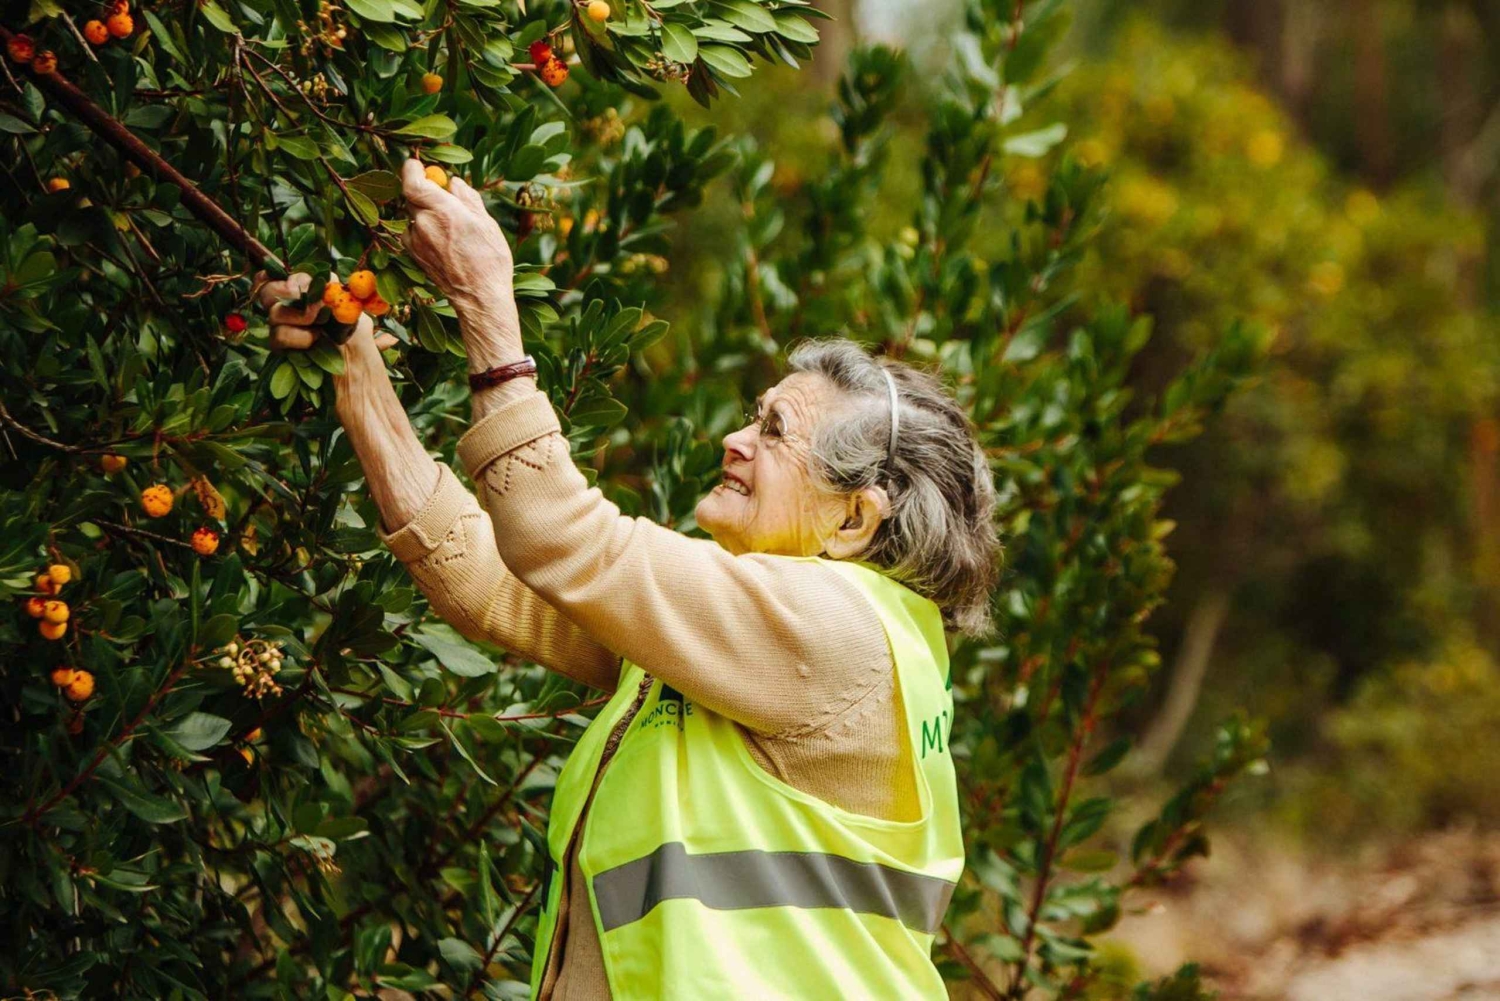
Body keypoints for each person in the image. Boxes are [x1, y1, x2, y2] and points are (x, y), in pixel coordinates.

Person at [255, 159, 1000, 1000]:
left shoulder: (836, 630)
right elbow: (501, 582)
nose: (734, 441)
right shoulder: (763, 633)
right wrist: (360, 375)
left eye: (773, 430)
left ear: (855, 519)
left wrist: (489, 308)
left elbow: (561, 534)